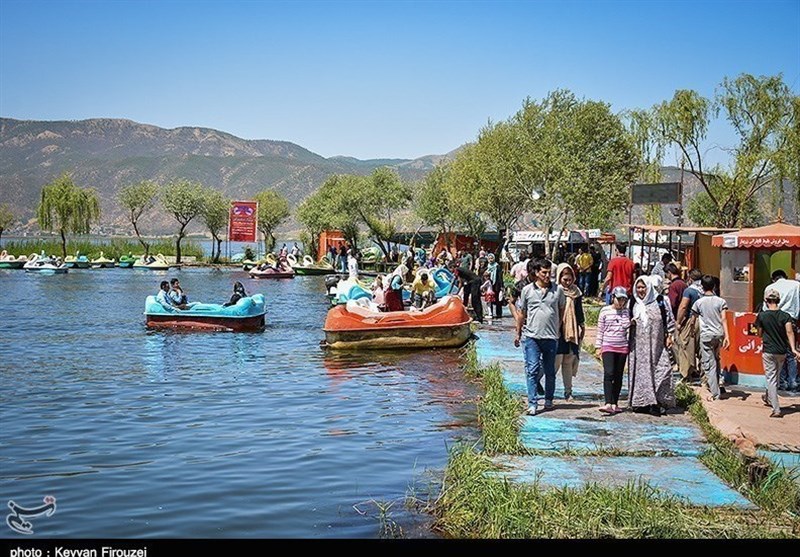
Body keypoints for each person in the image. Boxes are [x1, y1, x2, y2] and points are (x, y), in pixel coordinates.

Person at [515, 258, 565, 416]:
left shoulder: (558, 290)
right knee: (532, 370)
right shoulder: (527, 290)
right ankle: (532, 403)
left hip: (551, 337)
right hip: (532, 337)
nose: (547, 275)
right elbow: (522, 313)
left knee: (550, 371)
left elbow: (561, 310)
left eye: (549, 272)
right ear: (536, 273)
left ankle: (549, 399)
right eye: (544, 272)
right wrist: (518, 333)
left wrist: (557, 328)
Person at [629, 275, 676, 416]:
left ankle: (658, 401)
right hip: (638, 349)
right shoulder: (633, 303)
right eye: (638, 287)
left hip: (657, 347)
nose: (641, 290)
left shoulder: (660, 301)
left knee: (663, 370)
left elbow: (669, 320)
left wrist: (670, 335)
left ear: (648, 287)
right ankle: (643, 403)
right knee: (641, 375)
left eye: (643, 287)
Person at [755, 288, 800, 418]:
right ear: (778, 301)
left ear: (766, 300)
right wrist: (793, 349)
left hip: (768, 351)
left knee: (771, 379)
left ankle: (776, 409)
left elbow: (759, 333)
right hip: (782, 351)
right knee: (776, 378)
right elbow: (790, 332)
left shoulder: (762, 316)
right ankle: (769, 397)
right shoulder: (785, 316)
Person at [691, 275, 730, 402]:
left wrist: (691, 331)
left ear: (702, 287)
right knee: (717, 360)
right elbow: (724, 319)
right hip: (718, 334)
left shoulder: (698, 303)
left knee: (709, 364)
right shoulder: (721, 301)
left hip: (706, 336)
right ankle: (717, 386)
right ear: (714, 286)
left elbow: (693, 319)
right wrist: (727, 336)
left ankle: (715, 393)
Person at [762, 270, 800, 392]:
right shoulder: (796, 285)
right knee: (791, 352)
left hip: (773, 322)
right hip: (791, 320)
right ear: (786, 277)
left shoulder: (770, 287)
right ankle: (793, 382)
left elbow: (764, 308)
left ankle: (782, 381)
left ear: (773, 279)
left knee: (779, 350)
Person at [596, 287, 631, 414]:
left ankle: (615, 402)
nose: (621, 302)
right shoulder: (605, 311)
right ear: (613, 298)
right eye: (619, 299)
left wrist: (624, 315)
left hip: (621, 346)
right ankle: (608, 402)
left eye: (623, 300)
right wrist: (598, 347)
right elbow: (600, 329)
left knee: (618, 374)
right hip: (608, 345)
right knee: (609, 373)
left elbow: (626, 326)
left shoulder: (626, 312)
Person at [555, 263, 585, 401]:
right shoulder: (555, 291)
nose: (567, 283)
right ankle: (539, 384)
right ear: (559, 278)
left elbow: (579, 310)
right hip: (558, 330)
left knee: (568, 361)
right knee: (555, 362)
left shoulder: (576, 292)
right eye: (564, 279)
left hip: (572, 331)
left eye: (570, 279)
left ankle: (568, 391)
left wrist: (581, 326)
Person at [675, 268, 704, 382]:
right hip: (705, 321)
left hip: (692, 321)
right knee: (702, 348)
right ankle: (703, 374)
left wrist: (678, 322)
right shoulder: (705, 289)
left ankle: (686, 374)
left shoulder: (689, 291)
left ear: (690, 278)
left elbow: (683, 307)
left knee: (685, 346)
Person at [487, 253, 504, 319]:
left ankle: (498, 314)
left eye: (491, 258)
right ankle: (490, 313)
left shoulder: (497, 266)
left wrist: (501, 286)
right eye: (489, 258)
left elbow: (500, 277)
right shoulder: (487, 266)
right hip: (489, 285)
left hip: (496, 285)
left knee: (498, 300)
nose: (490, 260)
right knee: (489, 299)